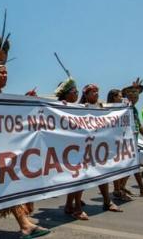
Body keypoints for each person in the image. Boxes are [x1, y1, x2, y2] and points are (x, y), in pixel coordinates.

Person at [0, 35, 50, 239]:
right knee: (5, 182)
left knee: (0, 183)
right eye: (0, 72)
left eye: (6, 72)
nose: (5, 75)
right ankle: (23, 224)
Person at [79, 84, 123, 212]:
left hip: (99, 147)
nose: (96, 94)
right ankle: (74, 202)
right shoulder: (80, 108)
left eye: (97, 91)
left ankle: (107, 201)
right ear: (86, 95)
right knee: (82, 176)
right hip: (85, 147)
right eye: (93, 92)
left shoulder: (102, 107)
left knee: (102, 174)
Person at [55, 78, 89, 220]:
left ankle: (70, 205)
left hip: (75, 149)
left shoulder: (77, 107)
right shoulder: (57, 106)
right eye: (74, 92)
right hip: (62, 149)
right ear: (66, 94)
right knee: (78, 177)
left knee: (75, 178)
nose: (76, 94)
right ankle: (77, 208)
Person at [120, 79, 143, 197]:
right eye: (133, 95)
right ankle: (122, 188)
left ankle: (124, 187)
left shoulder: (134, 109)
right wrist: (133, 88)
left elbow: (138, 125)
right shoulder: (123, 106)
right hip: (124, 141)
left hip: (133, 140)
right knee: (130, 166)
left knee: (133, 166)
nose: (135, 98)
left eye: (137, 96)